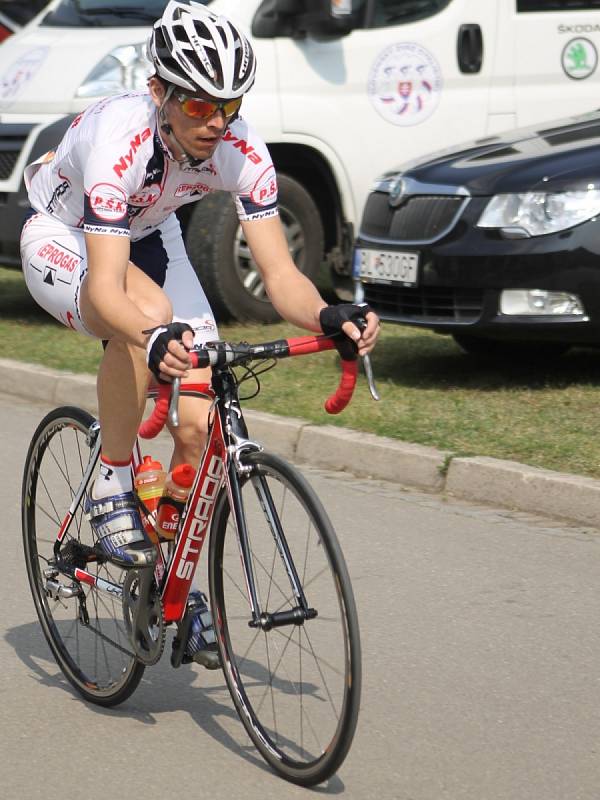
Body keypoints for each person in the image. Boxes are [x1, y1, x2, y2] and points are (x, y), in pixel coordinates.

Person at [20, 0, 379, 665]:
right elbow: (106, 289)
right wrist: (153, 343)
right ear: (159, 92)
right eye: (198, 108)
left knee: (200, 420)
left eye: (229, 107)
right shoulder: (118, 141)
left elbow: (280, 275)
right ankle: (110, 482)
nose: (216, 123)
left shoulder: (240, 148)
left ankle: (172, 583)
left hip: (152, 236)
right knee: (147, 320)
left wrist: (331, 314)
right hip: (65, 236)